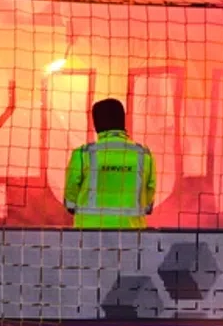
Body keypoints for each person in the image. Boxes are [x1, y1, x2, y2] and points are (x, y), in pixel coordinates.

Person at [63, 99, 155, 230]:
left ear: (96, 123)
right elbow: (149, 194)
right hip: (132, 231)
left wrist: (73, 207)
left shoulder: (83, 154)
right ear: (122, 121)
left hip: (89, 231)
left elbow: (71, 194)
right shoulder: (144, 154)